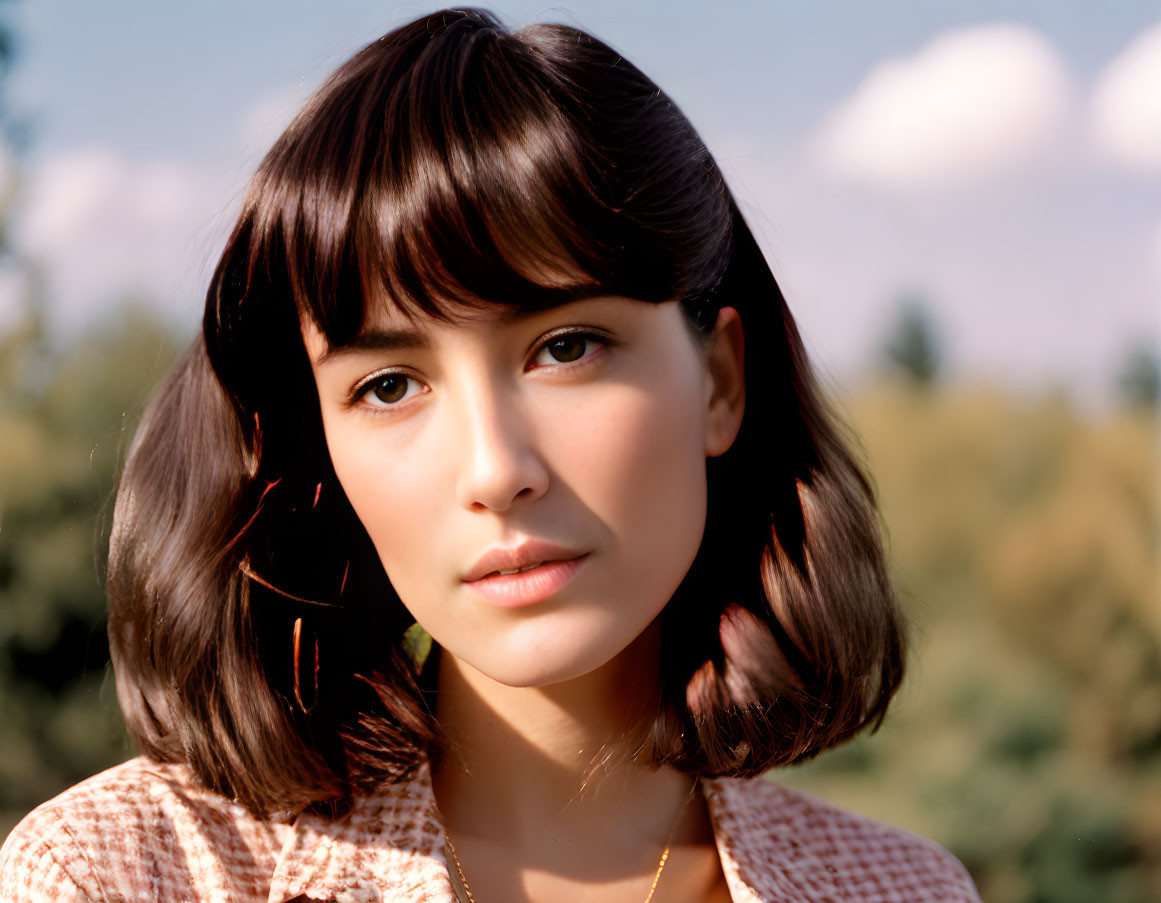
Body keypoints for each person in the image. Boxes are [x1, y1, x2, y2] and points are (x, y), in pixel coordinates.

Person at [0, 8, 981, 902]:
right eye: (388, 386)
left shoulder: (905, 889)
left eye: (566, 348)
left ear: (720, 382)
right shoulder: (119, 874)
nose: (495, 469)